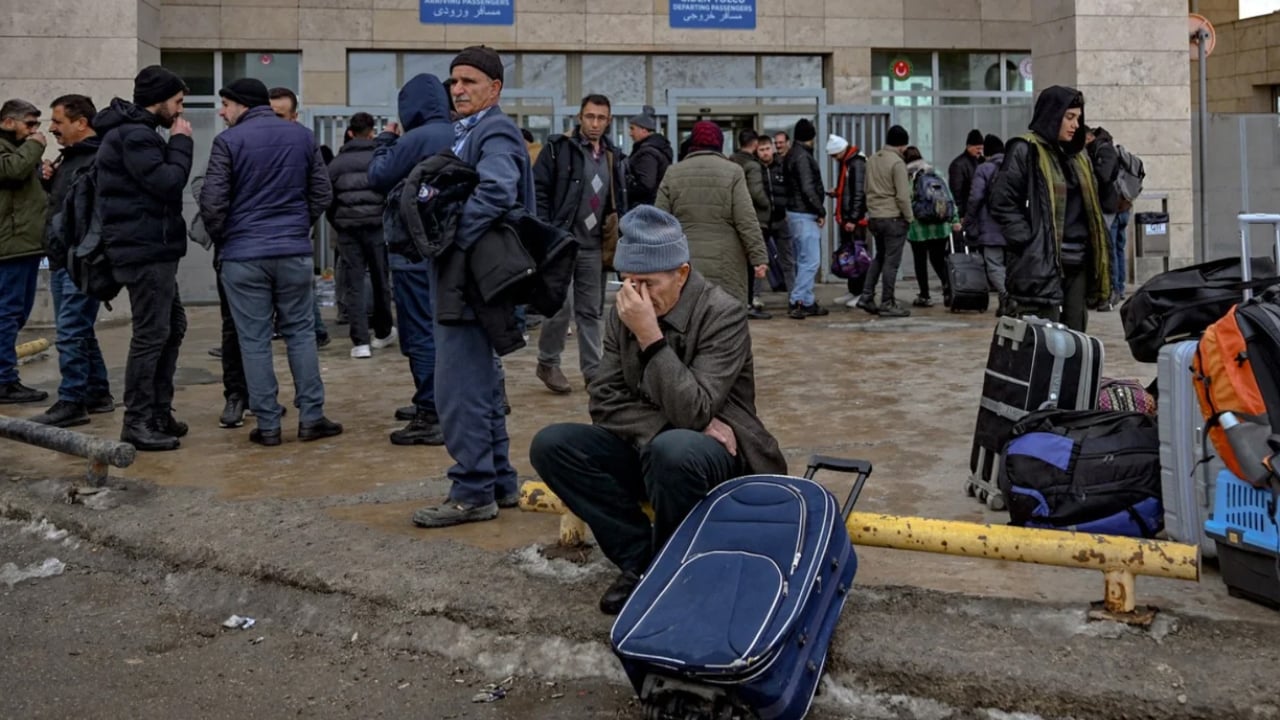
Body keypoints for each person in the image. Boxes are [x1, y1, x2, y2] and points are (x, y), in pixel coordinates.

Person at [529, 205, 787, 615]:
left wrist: (650, 337)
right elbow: (604, 400)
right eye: (629, 281)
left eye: (649, 283)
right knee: (552, 444)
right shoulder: (625, 308)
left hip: (721, 456)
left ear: (682, 274)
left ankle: (677, 570)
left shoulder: (723, 313)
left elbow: (696, 409)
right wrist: (661, 427)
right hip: (653, 444)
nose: (637, 294)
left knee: (675, 450)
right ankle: (640, 560)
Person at [411, 45, 532, 529]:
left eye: (469, 82)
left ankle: (471, 493)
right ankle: (498, 482)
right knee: (480, 385)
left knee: (457, 389)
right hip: (472, 283)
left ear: (494, 89)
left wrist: (451, 238)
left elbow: (498, 189)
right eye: (454, 82)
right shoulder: (472, 131)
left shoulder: (494, 129)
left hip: (468, 281)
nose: (458, 90)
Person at [199, 77, 341, 447]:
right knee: (301, 334)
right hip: (293, 252)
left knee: (254, 339)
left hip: (243, 256)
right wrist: (296, 227)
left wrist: (228, 238)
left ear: (241, 105)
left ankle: (268, 424)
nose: (221, 111)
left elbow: (212, 204)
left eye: (225, 104)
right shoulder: (303, 137)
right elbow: (322, 193)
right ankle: (312, 416)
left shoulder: (227, 142)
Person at [94, 66, 193, 450]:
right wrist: (182, 143)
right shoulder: (136, 135)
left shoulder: (138, 133)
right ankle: (137, 422)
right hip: (145, 250)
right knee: (152, 335)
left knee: (174, 326)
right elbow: (168, 183)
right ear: (160, 99)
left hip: (151, 248)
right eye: (179, 103)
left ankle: (156, 412)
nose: (181, 113)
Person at [367, 73, 454, 447]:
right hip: (448, 250)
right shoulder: (459, 133)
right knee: (449, 332)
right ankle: (440, 402)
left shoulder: (416, 138)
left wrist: (386, 140)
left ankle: (430, 413)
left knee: (419, 334)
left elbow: (377, 176)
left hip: (412, 251)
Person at [989, 85, 1111, 332]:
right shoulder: (1025, 149)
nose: (1075, 125)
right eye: (1069, 117)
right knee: (1044, 342)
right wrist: (1027, 240)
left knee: (1075, 337)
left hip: (1078, 261)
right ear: (1052, 114)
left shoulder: (1079, 157)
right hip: (1041, 263)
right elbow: (1002, 201)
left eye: (1078, 118)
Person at [30, 95, 115, 426]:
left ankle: (72, 401)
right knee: (80, 330)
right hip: (63, 259)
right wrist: (48, 180)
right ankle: (97, 392)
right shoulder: (72, 159)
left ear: (81, 123)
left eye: (57, 122)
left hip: (82, 261)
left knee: (70, 331)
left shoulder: (97, 160)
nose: (51, 128)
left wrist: (86, 254)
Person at [532, 93, 625, 394]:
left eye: (601, 118)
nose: (595, 123)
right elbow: (540, 191)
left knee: (590, 311)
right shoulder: (560, 150)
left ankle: (593, 371)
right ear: (579, 117)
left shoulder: (613, 155)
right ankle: (548, 361)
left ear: (608, 121)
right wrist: (545, 232)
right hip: (563, 243)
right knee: (560, 305)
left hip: (594, 245)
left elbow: (617, 198)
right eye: (590, 116)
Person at [655, 120, 767, 305]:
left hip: (684, 260)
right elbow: (746, 219)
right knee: (724, 319)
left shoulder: (673, 172)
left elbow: (660, 221)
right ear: (719, 143)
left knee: (687, 319)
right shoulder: (733, 172)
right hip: (727, 262)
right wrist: (758, 257)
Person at [328, 111, 396, 359]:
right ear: (371, 133)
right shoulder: (380, 158)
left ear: (349, 133)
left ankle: (360, 342)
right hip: (377, 228)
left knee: (353, 284)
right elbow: (391, 191)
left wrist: (338, 221)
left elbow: (327, 198)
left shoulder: (336, 164)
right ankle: (383, 332)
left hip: (348, 232)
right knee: (381, 281)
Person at [269, 86, 332, 348]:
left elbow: (321, 191)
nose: (274, 123)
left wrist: (301, 220)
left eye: (280, 116)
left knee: (299, 289)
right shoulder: (249, 142)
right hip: (261, 234)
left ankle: (315, 331)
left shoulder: (304, 143)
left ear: (294, 117)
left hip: (293, 231)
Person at [0, 99, 49, 406]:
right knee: (7, 314)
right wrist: (35, 147)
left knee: (15, 314)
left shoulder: (16, 149)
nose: (35, 131)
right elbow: (11, 170)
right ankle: (4, 380)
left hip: (24, 245)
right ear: (8, 122)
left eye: (37, 125)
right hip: (10, 246)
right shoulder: (11, 151)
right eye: (29, 124)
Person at [857, 124, 914, 318]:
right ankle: (887, 302)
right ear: (901, 146)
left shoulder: (872, 159)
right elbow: (903, 196)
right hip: (893, 218)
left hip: (875, 218)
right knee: (891, 262)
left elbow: (865, 189)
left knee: (880, 257)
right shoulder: (897, 163)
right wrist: (910, 218)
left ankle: (866, 295)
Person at [903, 146, 961, 308]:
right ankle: (949, 290)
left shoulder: (909, 177)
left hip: (918, 227)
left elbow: (906, 200)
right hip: (940, 225)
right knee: (938, 260)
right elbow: (948, 197)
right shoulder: (935, 173)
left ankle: (925, 295)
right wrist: (954, 219)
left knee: (920, 261)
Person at [782, 118, 828, 319]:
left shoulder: (793, 154)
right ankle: (798, 300)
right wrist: (820, 210)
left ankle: (807, 301)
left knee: (803, 260)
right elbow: (808, 188)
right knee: (811, 261)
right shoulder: (803, 157)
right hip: (804, 214)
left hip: (794, 213)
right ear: (812, 138)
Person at [728, 129, 772, 320]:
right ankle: (748, 302)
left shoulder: (731, 161)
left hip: (732, 217)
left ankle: (738, 301)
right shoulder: (752, 166)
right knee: (753, 262)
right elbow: (756, 193)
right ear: (754, 145)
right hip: (753, 217)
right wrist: (769, 205)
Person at [963, 134, 1009, 315]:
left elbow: (976, 197)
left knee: (994, 264)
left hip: (990, 226)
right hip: (1014, 226)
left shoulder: (984, 169)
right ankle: (1009, 300)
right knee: (1011, 265)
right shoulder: (1015, 167)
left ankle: (1006, 296)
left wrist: (969, 220)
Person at [1084, 125, 1126, 310]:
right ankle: (1116, 288)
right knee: (1116, 249)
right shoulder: (1101, 149)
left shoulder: (1104, 150)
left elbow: (1104, 175)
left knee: (1110, 250)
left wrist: (1090, 169)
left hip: (1111, 207)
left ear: (1090, 136)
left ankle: (1113, 291)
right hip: (1115, 206)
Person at [826, 134, 868, 308]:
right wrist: (838, 192)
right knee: (850, 256)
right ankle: (854, 290)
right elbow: (851, 191)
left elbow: (859, 193)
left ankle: (862, 292)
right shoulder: (849, 163)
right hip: (848, 217)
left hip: (854, 220)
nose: (835, 160)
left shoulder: (856, 164)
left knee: (858, 257)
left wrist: (853, 218)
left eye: (835, 156)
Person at [755, 135, 795, 293]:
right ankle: (755, 297)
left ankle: (794, 296)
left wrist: (787, 209)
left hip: (781, 219)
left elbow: (791, 189)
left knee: (788, 260)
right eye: (761, 150)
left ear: (772, 148)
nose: (765, 153)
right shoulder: (755, 169)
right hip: (762, 222)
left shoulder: (783, 166)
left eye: (767, 149)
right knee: (758, 261)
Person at [626, 105, 672, 208]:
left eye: (632, 129)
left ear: (644, 130)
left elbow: (646, 185)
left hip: (644, 208)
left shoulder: (647, 153)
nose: (630, 133)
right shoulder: (656, 148)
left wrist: (625, 190)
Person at [947, 129, 984, 251]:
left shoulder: (980, 162)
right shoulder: (959, 165)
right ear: (968, 146)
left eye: (981, 148)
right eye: (977, 147)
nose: (980, 151)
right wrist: (961, 214)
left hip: (977, 213)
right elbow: (956, 192)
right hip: (967, 213)